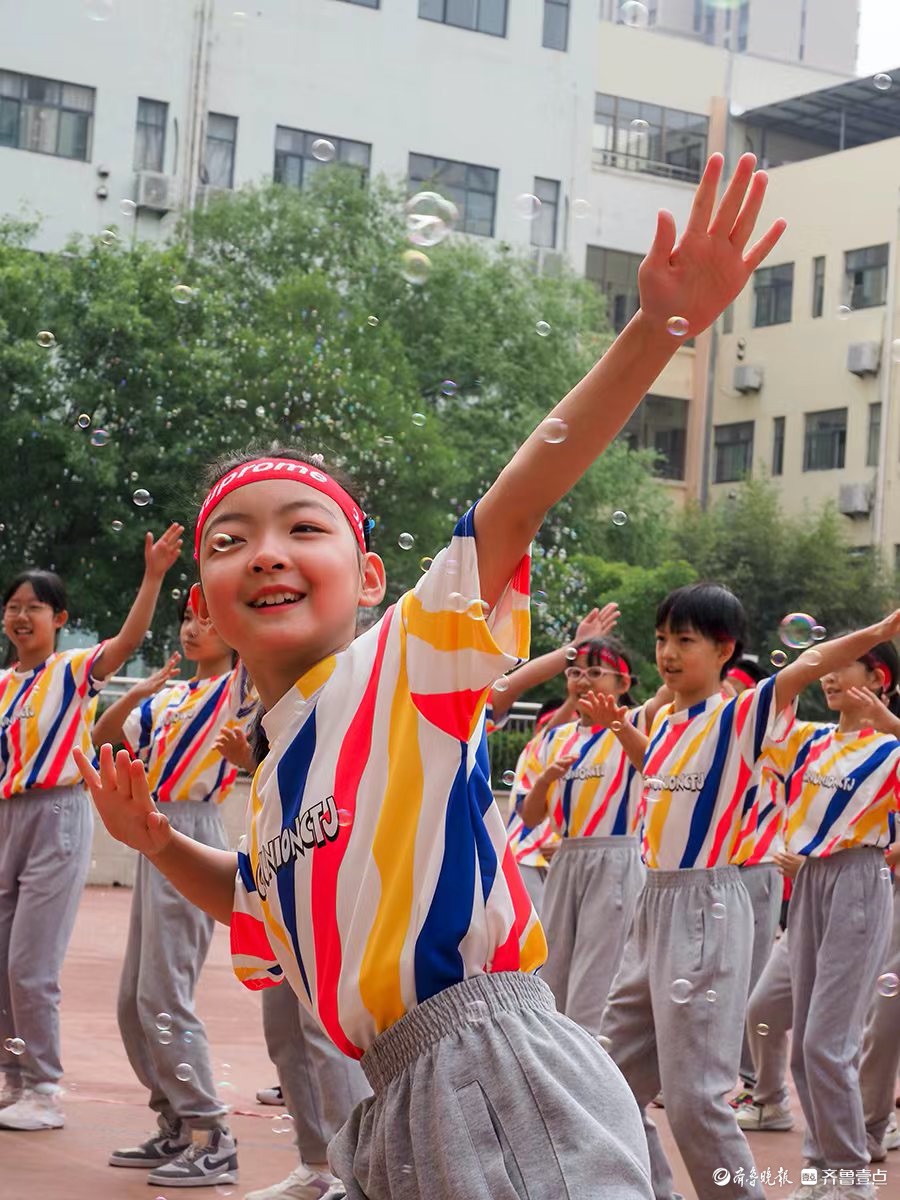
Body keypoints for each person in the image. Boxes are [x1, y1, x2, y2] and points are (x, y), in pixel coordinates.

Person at [76, 152, 787, 1199]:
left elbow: (516, 498)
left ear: (369, 577)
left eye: (300, 527)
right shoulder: (273, 770)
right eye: (230, 539)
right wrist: (156, 844)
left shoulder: (405, 663)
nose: (266, 550)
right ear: (206, 602)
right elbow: (261, 904)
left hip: (496, 1071)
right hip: (396, 1094)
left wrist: (659, 329)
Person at [598, 582, 900, 1200]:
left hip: (706, 905)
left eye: (685, 640)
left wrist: (879, 631)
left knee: (695, 1102)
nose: (668, 653)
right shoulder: (666, 720)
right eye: (661, 640)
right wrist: (627, 734)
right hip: (654, 902)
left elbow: (812, 661)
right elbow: (660, 773)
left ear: (724, 649)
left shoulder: (742, 712)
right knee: (609, 1080)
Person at [0, 523, 184, 1132]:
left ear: (59, 618)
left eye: (34, 608)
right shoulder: (2, 686)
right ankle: (14, 1079)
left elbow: (128, 640)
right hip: (6, 817)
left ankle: (45, 1089)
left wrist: (153, 575)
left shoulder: (74, 669)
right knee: (1, 960)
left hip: (57, 813)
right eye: (13, 607)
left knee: (30, 962)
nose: (21, 616)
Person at [83, 593, 255, 1186]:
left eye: (208, 617)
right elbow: (106, 739)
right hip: (154, 828)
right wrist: (134, 693)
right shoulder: (169, 698)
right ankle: (175, 1122)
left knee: (164, 991)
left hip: (194, 828)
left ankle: (212, 1133)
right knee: (135, 996)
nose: (192, 627)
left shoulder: (239, 686)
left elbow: (267, 736)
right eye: (187, 617)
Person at [780, 653, 900, 1200]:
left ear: (879, 679)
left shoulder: (891, 749)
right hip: (810, 882)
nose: (828, 675)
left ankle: (851, 1175)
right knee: (804, 1045)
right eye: (824, 665)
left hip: (859, 879)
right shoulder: (812, 742)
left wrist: (893, 723)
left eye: (844, 665)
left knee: (828, 1043)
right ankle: (822, 1163)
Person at [516, 636, 647, 1033]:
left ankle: (593, 1071)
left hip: (617, 857)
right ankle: (557, 1058)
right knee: (550, 970)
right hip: (566, 858)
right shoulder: (552, 739)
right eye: (575, 671)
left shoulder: (638, 724)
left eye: (596, 671)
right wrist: (547, 779)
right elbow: (530, 816)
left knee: (597, 973)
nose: (583, 680)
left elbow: (655, 765)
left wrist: (618, 725)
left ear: (623, 684)